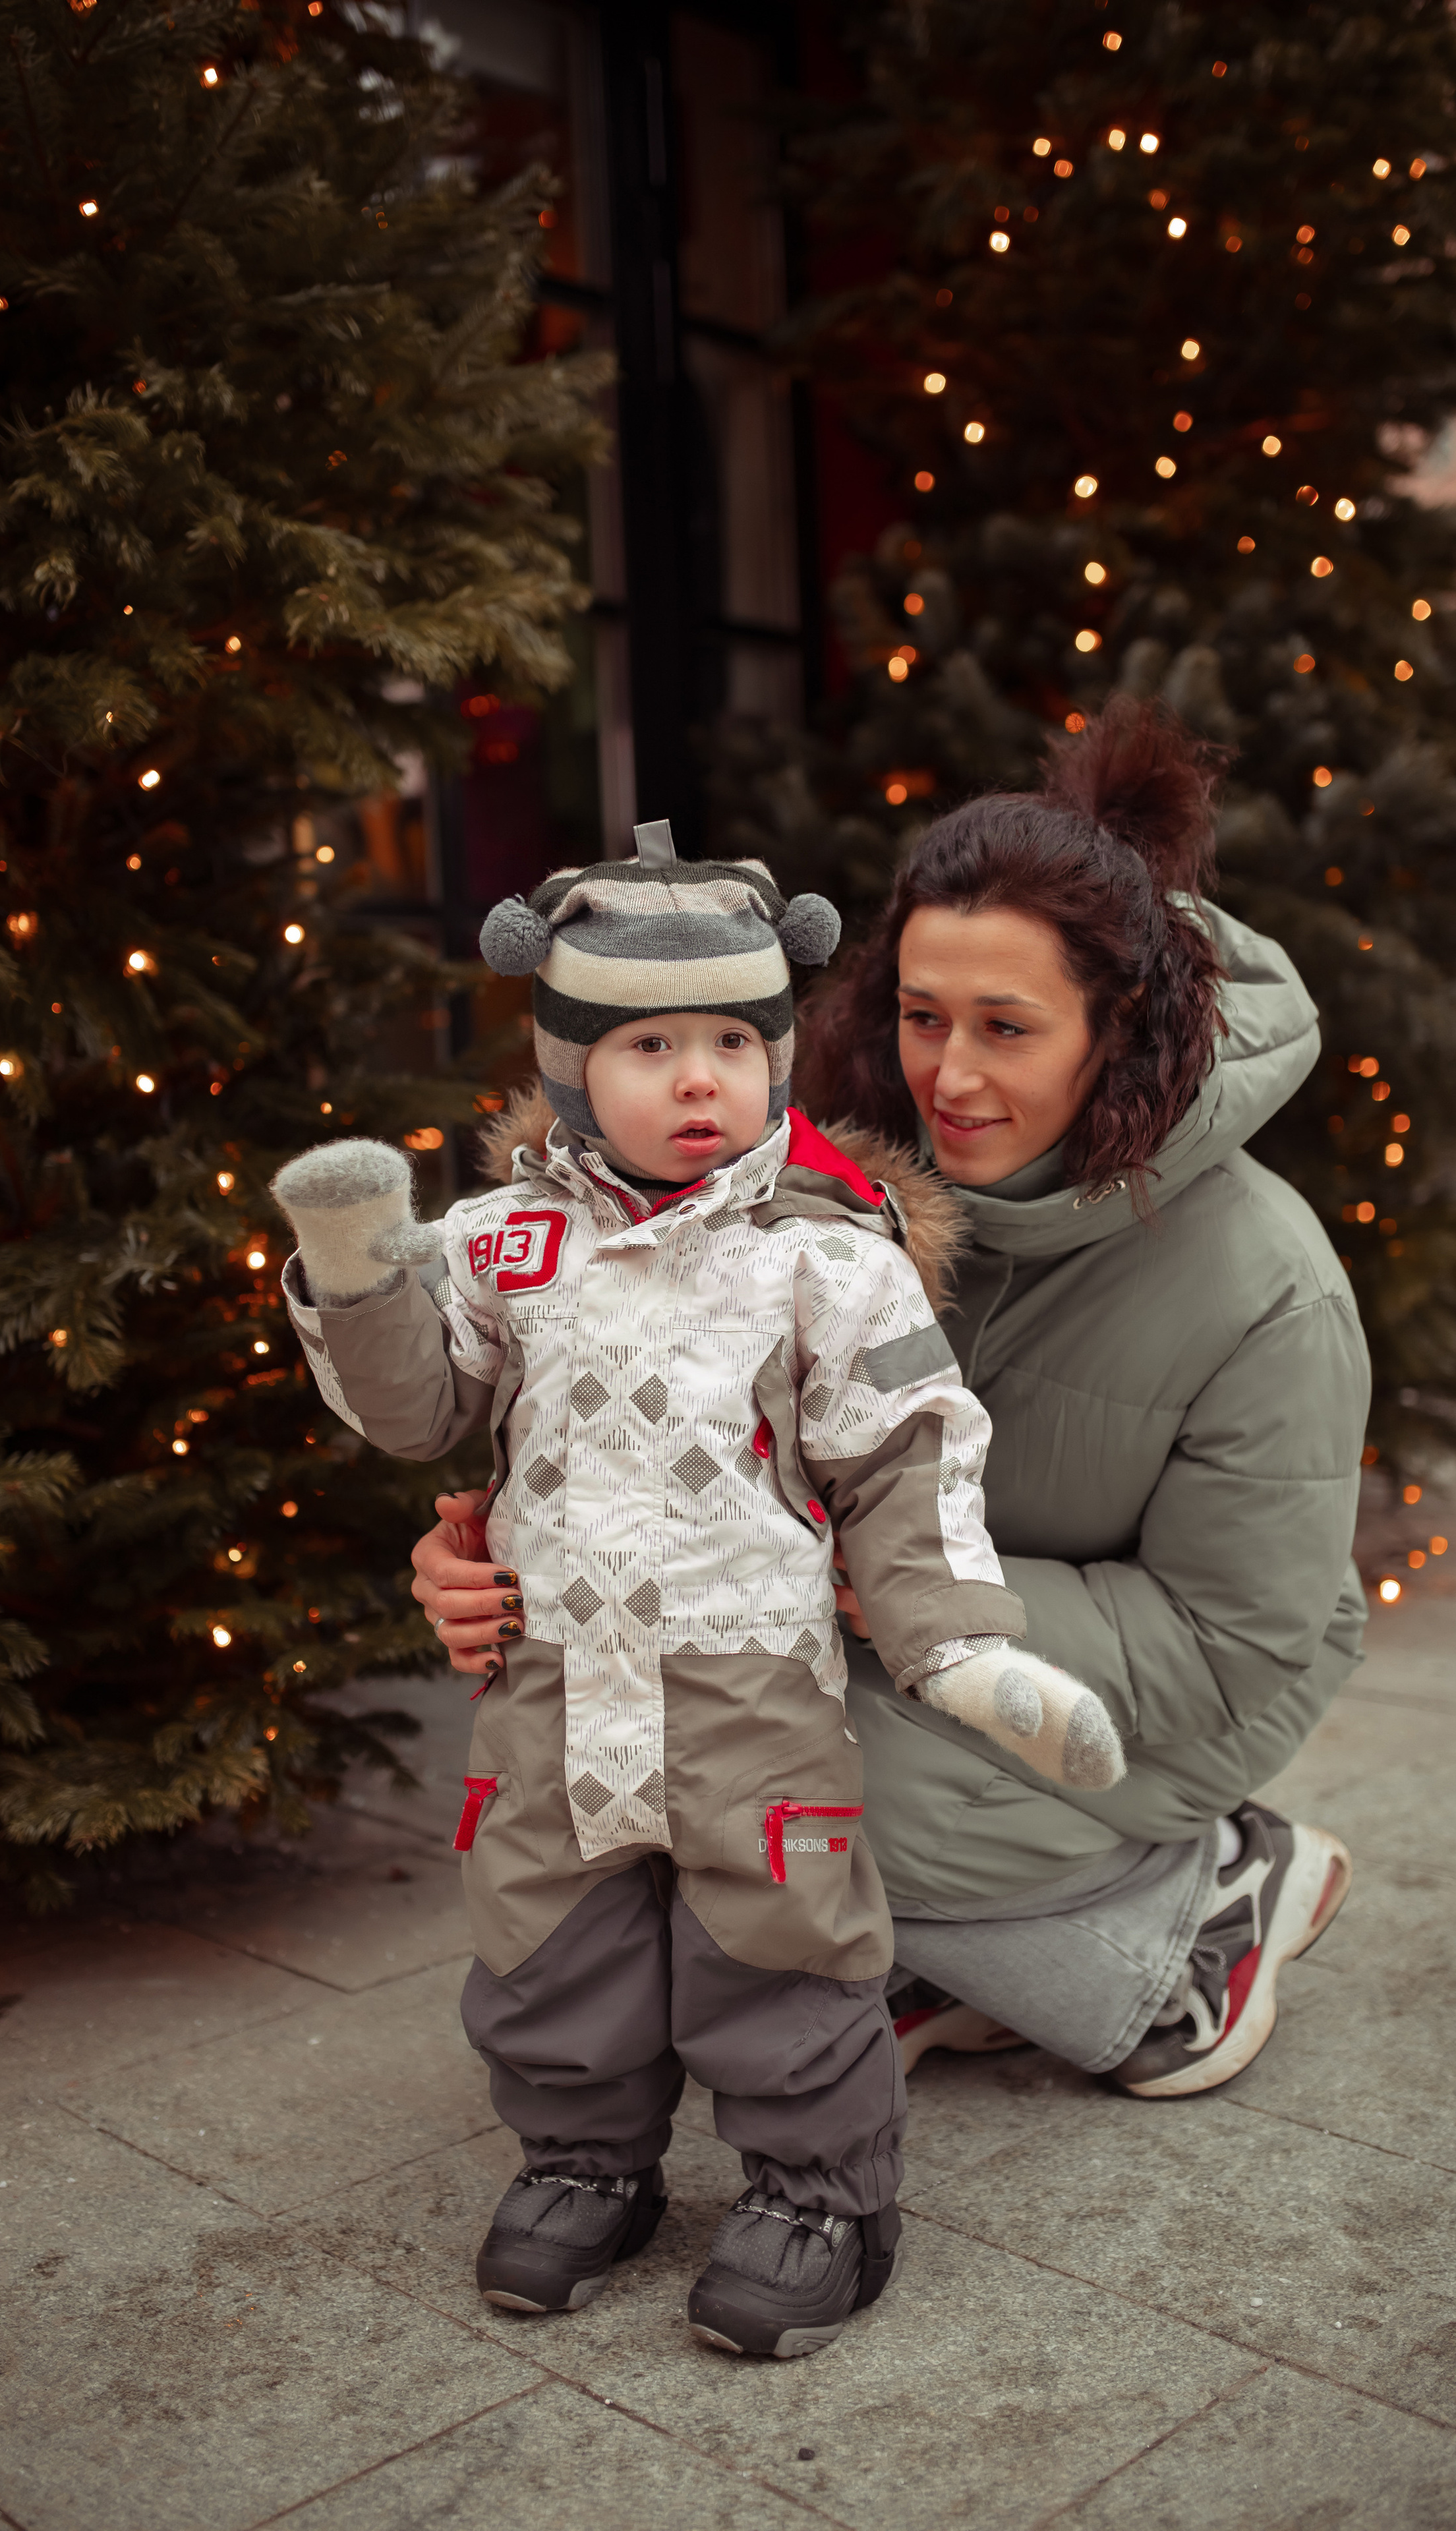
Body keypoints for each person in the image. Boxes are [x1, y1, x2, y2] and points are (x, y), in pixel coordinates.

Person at [419, 701, 1363, 2109]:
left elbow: (1233, 1644)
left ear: (1125, 1028)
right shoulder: (831, 1174)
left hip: (1169, 1698)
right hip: (880, 1629)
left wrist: (893, 1575)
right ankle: (917, 1964)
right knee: (620, 1767)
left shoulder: (1267, 1285)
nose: (950, 1077)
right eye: (922, 1017)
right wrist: (494, 1554)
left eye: (1006, 1028)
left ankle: (1195, 1915)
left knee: (776, 1809)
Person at [269, 819, 1121, 2361]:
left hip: (749, 1685)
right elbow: (415, 1416)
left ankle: (820, 2197)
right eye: (648, 1044)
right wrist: (357, 1273)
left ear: (778, 1052)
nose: (697, 1079)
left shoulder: (825, 1260)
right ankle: (584, 2162)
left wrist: (957, 1651)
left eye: (733, 1040)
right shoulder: (504, 1244)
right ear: (566, 1059)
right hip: (549, 1684)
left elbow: (907, 1454)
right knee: (550, 1937)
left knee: (775, 1935)